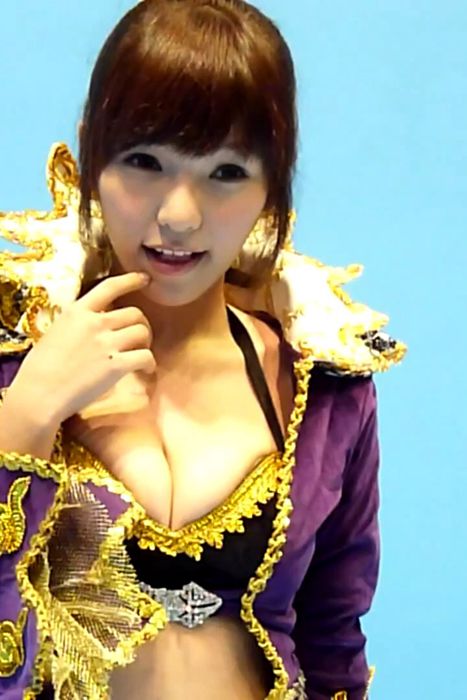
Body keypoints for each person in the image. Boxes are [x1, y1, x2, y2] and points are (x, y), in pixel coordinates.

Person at [0, 1, 406, 698]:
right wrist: (25, 416)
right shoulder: (15, 362)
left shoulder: (326, 392)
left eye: (225, 172)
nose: (178, 215)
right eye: (144, 162)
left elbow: (333, 635)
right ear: (91, 158)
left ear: (271, 186)